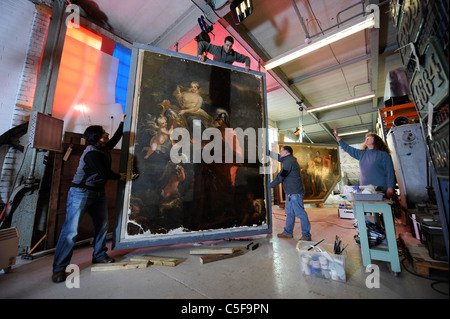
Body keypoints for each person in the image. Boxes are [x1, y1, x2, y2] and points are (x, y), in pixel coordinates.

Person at [52, 114, 126, 283]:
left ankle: (99, 255)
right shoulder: (92, 154)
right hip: (81, 193)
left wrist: (122, 122)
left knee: (102, 226)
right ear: (98, 138)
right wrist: (119, 176)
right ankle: (59, 269)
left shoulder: (103, 147)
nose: (107, 133)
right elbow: (104, 173)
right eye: (104, 132)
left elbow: (115, 139)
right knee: (71, 232)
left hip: (98, 193)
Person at [333, 128, 395, 198]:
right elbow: (347, 148)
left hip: (380, 190)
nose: (367, 139)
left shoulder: (383, 155)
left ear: (376, 141)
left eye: (369, 138)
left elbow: (390, 171)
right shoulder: (362, 154)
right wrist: (337, 137)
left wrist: (390, 187)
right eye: (366, 138)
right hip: (365, 189)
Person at [270, 146, 312, 241]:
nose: (280, 153)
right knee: (289, 213)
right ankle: (288, 232)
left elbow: (281, 176)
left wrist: (270, 185)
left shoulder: (289, 162)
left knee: (300, 213)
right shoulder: (288, 159)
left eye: (281, 151)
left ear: (286, 152)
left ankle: (306, 235)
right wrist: (267, 152)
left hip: (295, 193)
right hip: (290, 192)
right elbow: (278, 157)